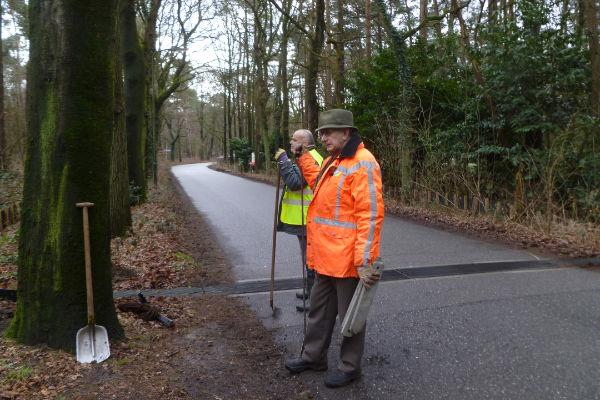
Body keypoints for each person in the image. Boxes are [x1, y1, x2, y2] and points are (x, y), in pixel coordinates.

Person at [284, 109, 384, 388]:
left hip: (349, 259)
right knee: (318, 310)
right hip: (327, 255)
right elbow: (318, 183)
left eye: (328, 132)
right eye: (322, 133)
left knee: (350, 317)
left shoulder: (363, 162)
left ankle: (350, 368)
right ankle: (314, 357)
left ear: (346, 132)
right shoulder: (334, 161)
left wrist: (365, 261)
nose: (323, 137)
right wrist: (302, 157)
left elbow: (370, 214)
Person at [274, 129, 324, 311]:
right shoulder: (308, 157)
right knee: (307, 258)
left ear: (304, 143)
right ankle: (310, 292)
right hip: (303, 218)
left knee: (312, 260)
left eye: (294, 140)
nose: (291, 142)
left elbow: (295, 183)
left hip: (308, 218)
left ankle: (314, 300)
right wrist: (288, 162)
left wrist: (284, 161)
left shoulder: (311, 160)